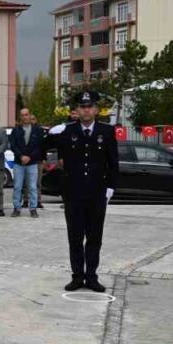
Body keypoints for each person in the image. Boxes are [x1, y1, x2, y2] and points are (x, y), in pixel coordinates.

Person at [49, 90, 118, 293]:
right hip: (74, 194)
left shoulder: (106, 132)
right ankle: (77, 276)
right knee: (75, 237)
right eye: (82, 107)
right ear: (77, 110)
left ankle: (92, 277)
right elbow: (43, 146)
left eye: (89, 107)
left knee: (95, 237)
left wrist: (111, 187)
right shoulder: (68, 131)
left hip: (97, 194)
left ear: (95, 109)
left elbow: (113, 163)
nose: (86, 110)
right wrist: (51, 132)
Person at [8, 108, 45, 218]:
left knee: (33, 187)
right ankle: (16, 208)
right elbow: (13, 146)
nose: (25, 117)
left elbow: (39, 146)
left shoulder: (38, 130)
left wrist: (29, 157)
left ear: (30, 116)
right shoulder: (16, 130)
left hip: (32, 162)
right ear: (20, 117)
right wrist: (21, 156)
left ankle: (33, 208)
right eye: (22, 115)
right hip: (18, 163)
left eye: (26, 115)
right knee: (17, 186)